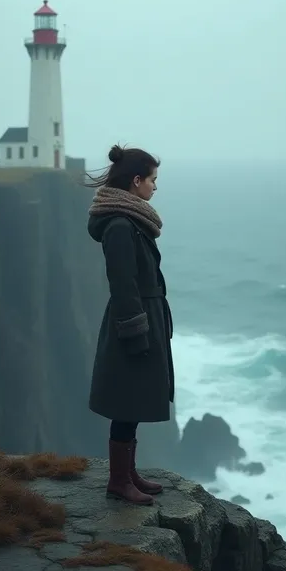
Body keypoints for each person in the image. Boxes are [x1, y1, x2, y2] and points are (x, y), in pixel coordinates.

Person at [86, 144, 174, 505]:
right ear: (136, 181)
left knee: (133, 400)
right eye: (153, 180)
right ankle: (119, 481)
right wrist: (137, 333)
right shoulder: (121, 225)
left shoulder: (130, 221)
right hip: (133, 321)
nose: (155, 187)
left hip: (144, 316)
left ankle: (128, 473)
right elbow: (122, 284)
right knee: (126, 401)